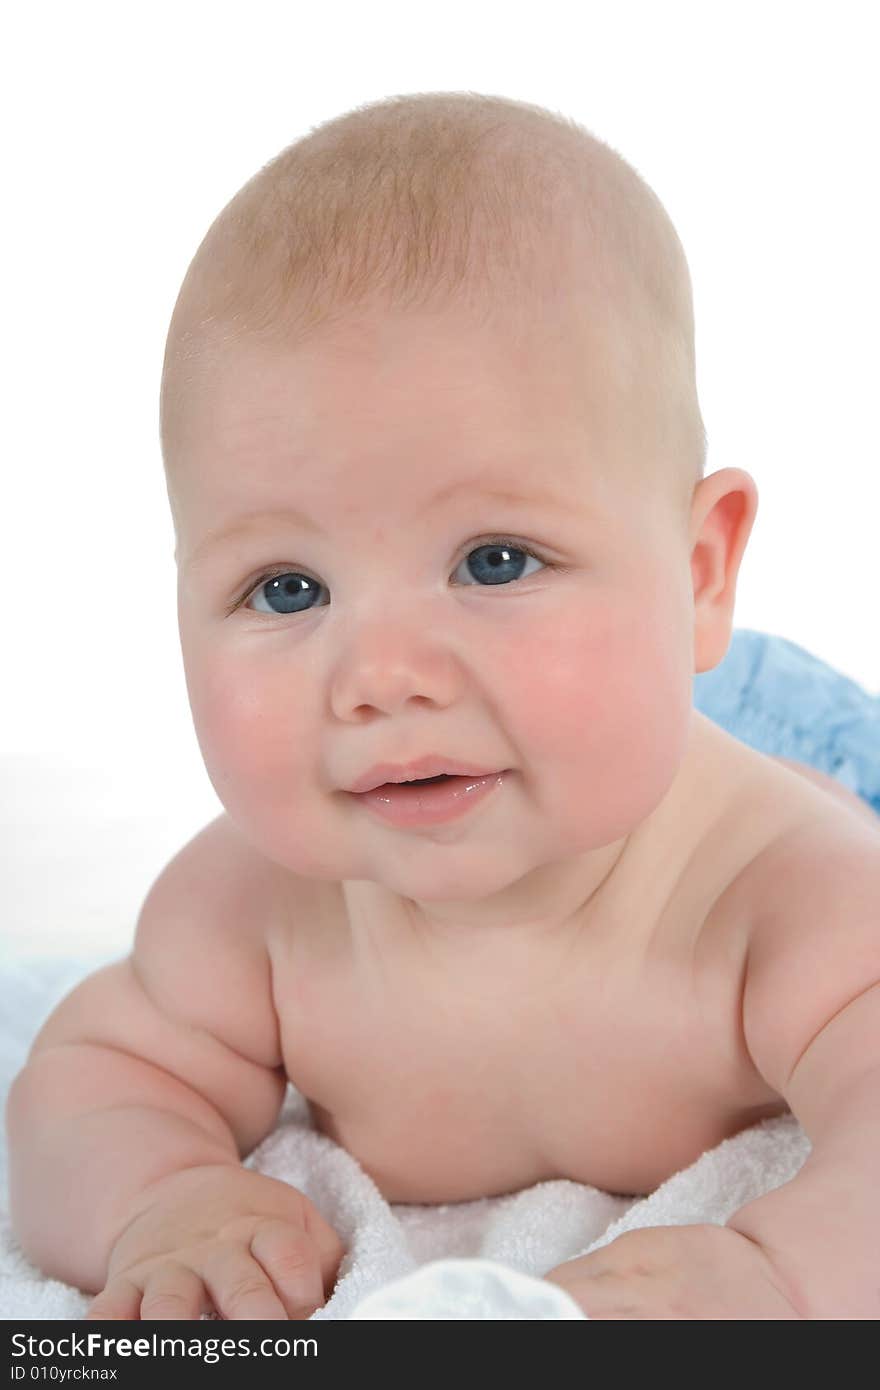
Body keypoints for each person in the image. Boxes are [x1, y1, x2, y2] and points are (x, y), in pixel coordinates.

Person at [6, 92, 879, 1321]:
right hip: (596, 708)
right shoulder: (252, 912)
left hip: (788, 739)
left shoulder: (784, 901)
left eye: (494, 561)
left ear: (696, 574)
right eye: (288, 587)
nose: (381, 677)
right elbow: (91, 1076)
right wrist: (163, 1196)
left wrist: (788, 1268)